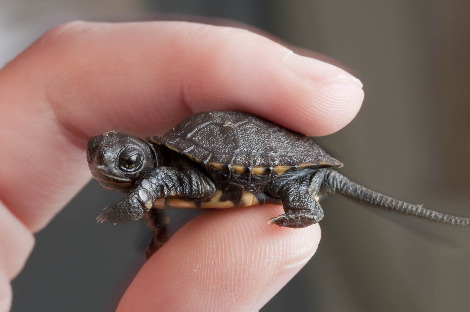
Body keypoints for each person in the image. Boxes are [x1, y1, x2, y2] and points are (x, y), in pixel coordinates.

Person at [0, 21, 364, 311]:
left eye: (127, 161)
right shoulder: (164, 175)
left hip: (288, 169)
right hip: (225, 177)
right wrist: (155, 227)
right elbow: (156, 192)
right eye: (97, 155)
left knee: (289, 188)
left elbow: (157, 183)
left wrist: (132, 205)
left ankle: (305, 204)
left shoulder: (167, 174)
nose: (107, 165)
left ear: (146, 156)